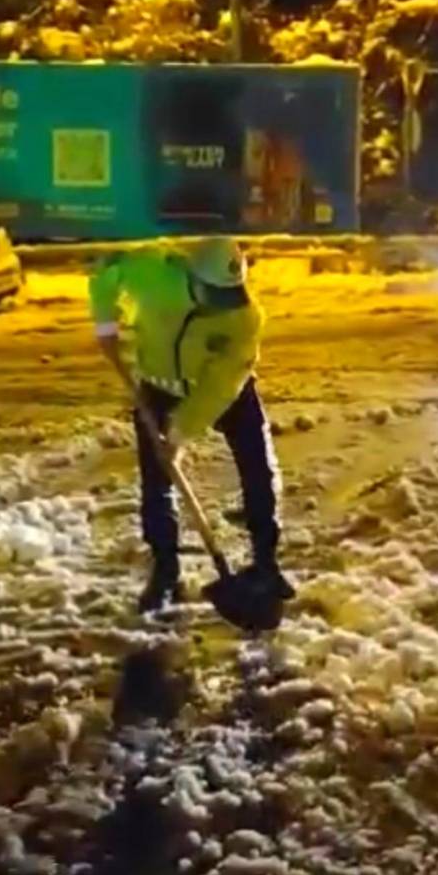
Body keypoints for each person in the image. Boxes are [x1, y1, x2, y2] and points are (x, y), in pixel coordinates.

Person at [90, 236, 291, 614]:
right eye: (212, 293)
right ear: (193, 276)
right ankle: (166, 568)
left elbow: (220, 387)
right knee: (156, 479)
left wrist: (180, 432)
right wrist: (105, 326)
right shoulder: (152, 273)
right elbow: (106, 269)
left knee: (257, 466)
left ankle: (266, 561)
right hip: (158, 385)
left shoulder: (245, 317)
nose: (221, 304)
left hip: (223, 390)